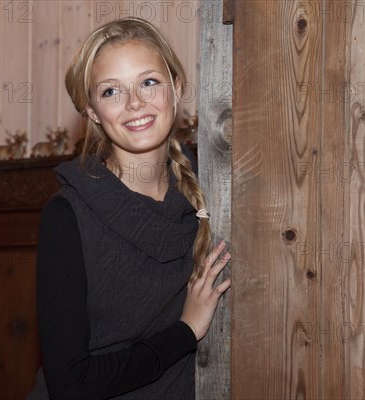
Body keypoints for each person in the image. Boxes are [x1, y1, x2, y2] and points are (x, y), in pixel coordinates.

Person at [27, 17, 231, 400]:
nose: (135, 102)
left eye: (148, 82)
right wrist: (186, 331)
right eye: (111, 91)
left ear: (176, 87)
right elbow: (72, 383)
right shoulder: (67, 215)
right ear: (91, 111)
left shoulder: (212, 193)